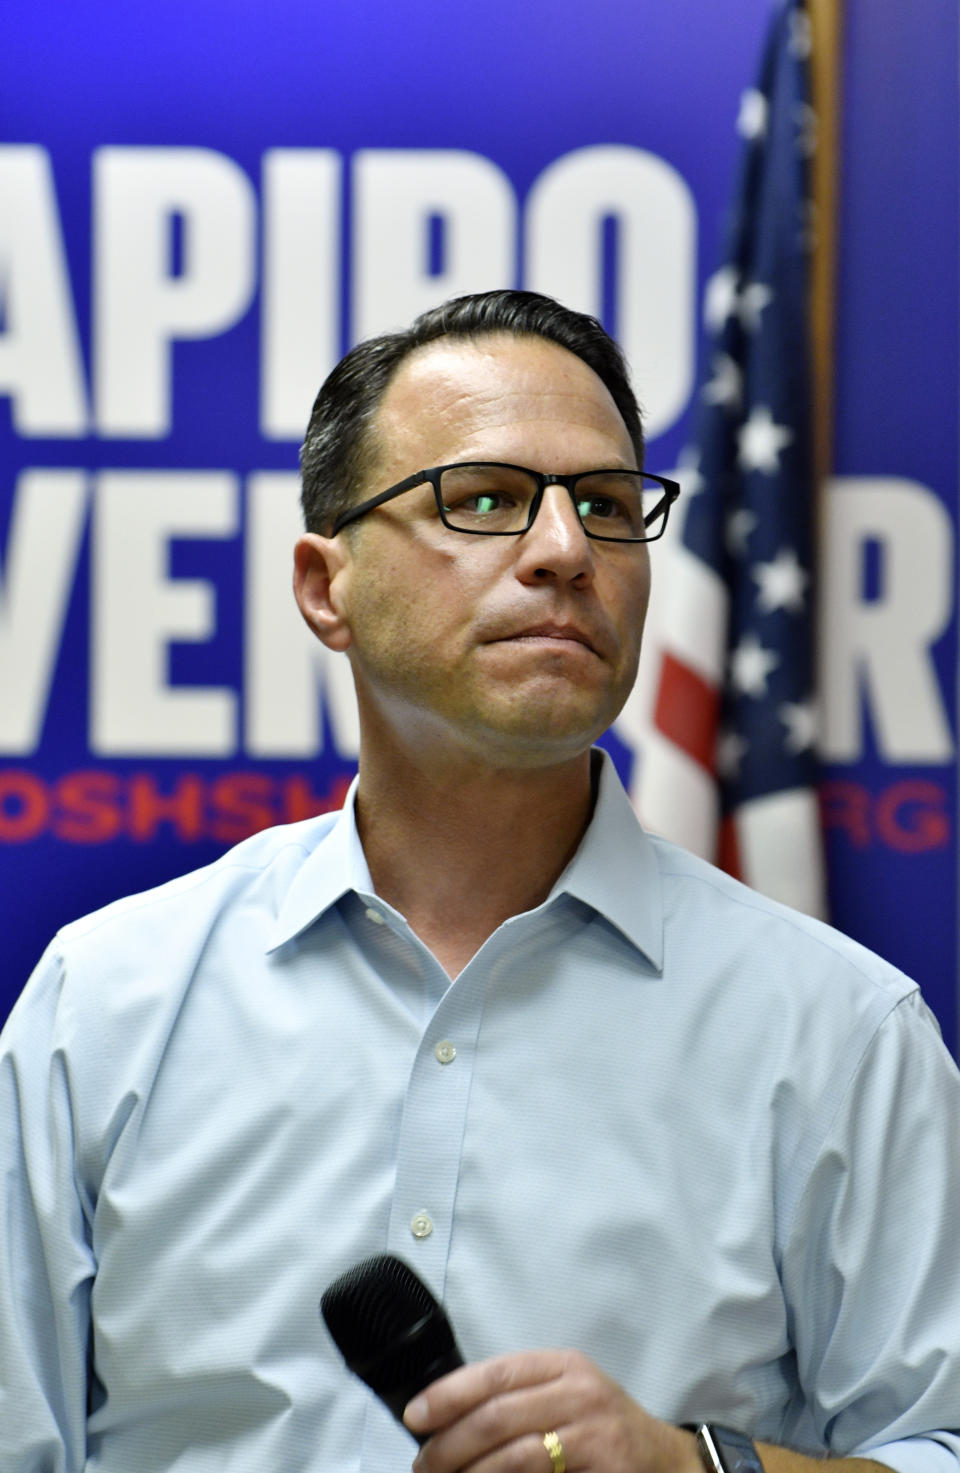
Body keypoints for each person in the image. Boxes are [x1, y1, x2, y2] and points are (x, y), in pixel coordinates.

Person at [1, 289, 959, 1473]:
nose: (566, 552)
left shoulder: (839, 1033)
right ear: (324, 586)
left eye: (607, 507)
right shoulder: (104, 1007)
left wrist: (700, 1467)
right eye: (487, 499)